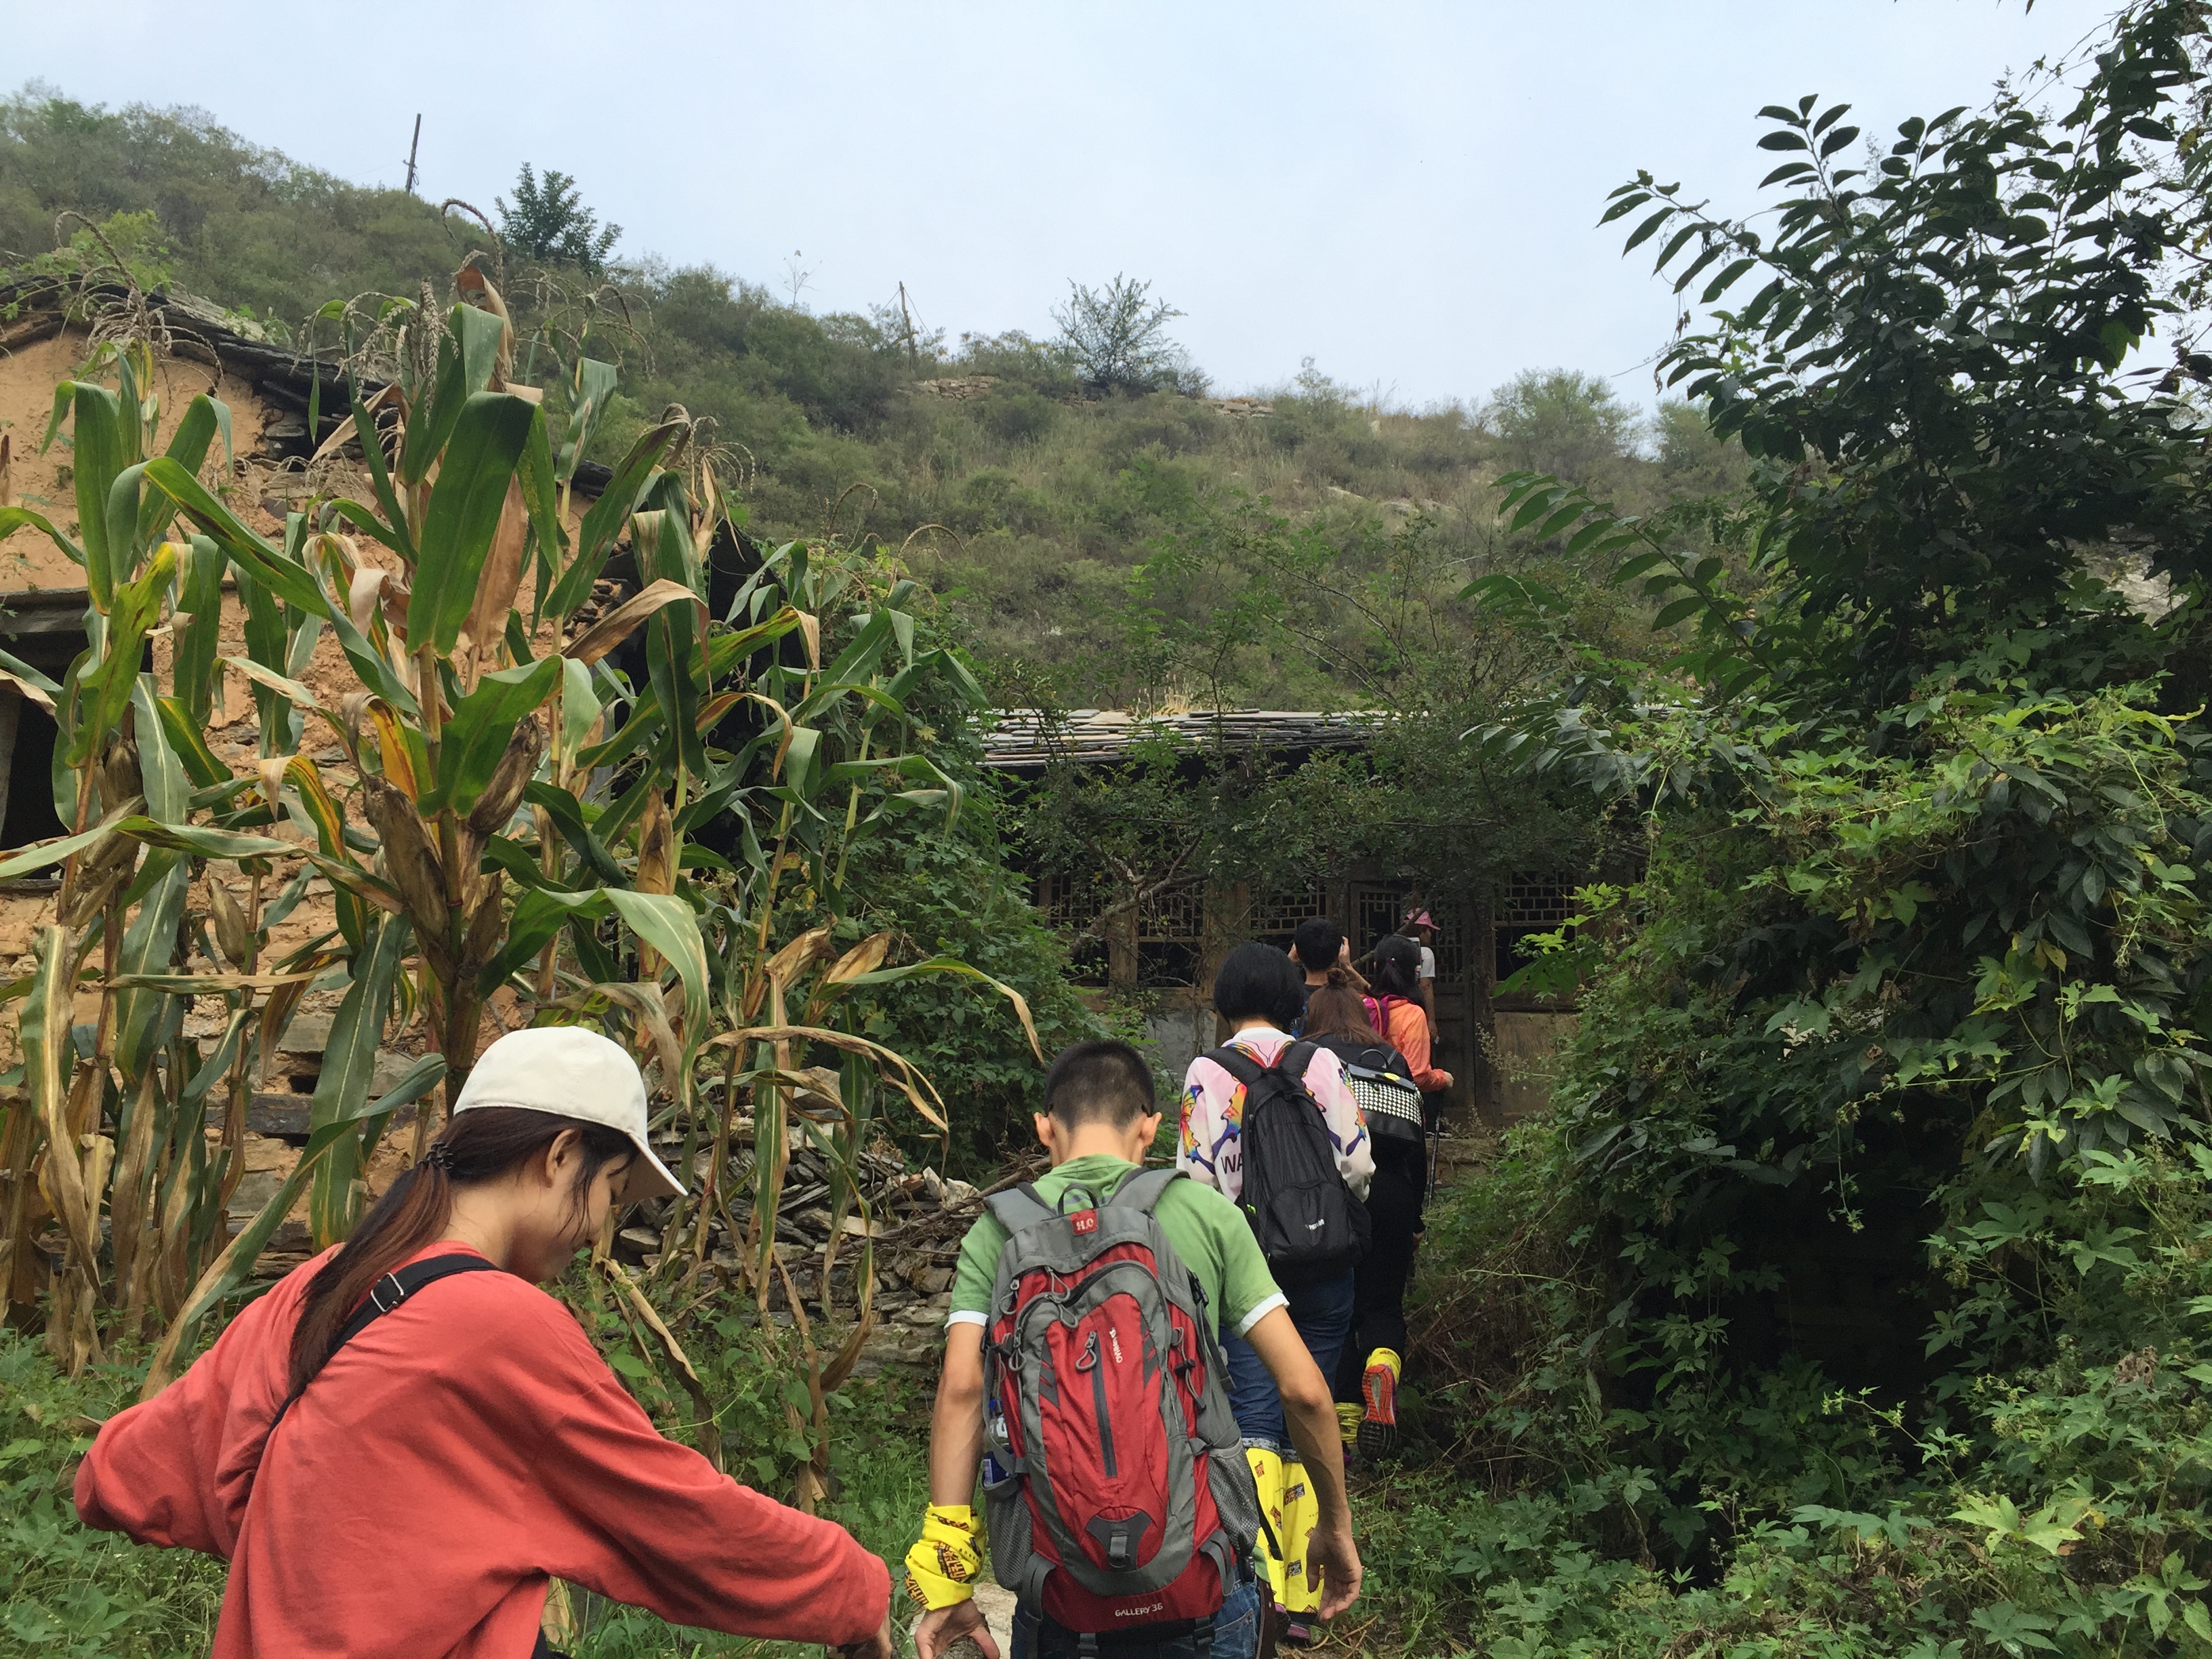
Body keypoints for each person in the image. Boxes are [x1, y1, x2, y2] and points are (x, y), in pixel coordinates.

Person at [74, 1026, 895, 1659]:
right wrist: (855, 1587)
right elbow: (680, 1521)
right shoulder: (496, 1322)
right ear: (561, 1154)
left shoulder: (326, 1280)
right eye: (611, 1191)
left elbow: (122, 1473)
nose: (601, 1227)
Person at [911, 1039, 1361, 1659]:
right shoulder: (1207, 1213)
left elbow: (962, 1391)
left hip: (1062, 1592)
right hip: (1206, 1581)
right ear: (1150, 1128)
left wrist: (948, 1581)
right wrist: (1334, 1526)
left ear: (1045, 1127)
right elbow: (1305, 1392)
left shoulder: (997, 1232)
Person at [1180, 943, 1374, 1647]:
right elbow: (1358, 1164)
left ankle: (1256, 1586)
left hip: (1247, 1273)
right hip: (1324, 1263)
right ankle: (1304, 1593)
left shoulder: (1207, 1072)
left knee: (1255, 1420)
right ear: (1294, 1000)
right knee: (1311, 1406)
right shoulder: (1321, 1063)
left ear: (1225, 1000)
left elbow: (1196, 1182)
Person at [1300, 977, 1429, 1460]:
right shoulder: (1390, 1057)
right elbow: (1416, 1146)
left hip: (1333, 1197)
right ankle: (1384, 1364)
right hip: (1394, 1191)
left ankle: (1349, 1429)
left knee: (1337, 1307)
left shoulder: (1307, 1059)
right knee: (1383, 1305)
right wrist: (1415, 1218)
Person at [1286, 918, 1366, 1032]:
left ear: (1297, 953)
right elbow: (1380, 1001)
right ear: (1338, 954)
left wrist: (1288, 962)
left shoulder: (1285, 998)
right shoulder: (1354, 1000)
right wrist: (1348, 966)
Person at [1400, 909, 1441, 1043]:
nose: (1430, 934)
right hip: (1416, 1010)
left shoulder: (1395, 948)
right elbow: (1425, 985)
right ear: (1421, 931)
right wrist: (1431, 1020)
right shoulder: (1425, 953)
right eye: (1429, 930)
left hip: (1394, 1009)